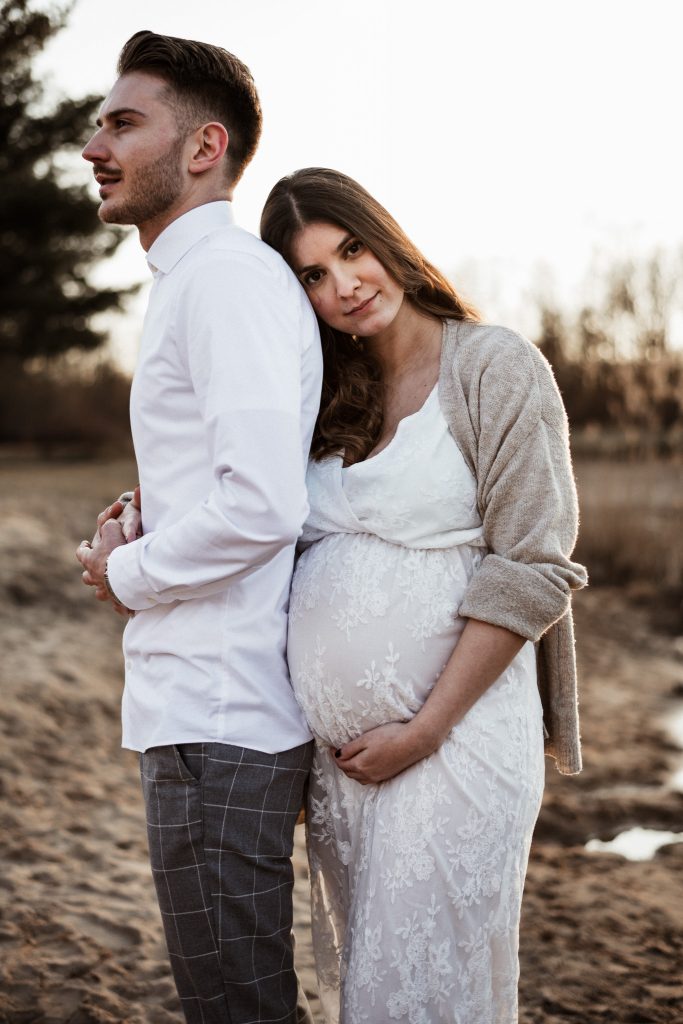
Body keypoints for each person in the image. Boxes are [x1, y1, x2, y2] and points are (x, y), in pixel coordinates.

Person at [257, 168, 588, 1023]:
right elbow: (259, 521)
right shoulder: (326, 393)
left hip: (455, 739)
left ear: (387, 236)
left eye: (352, 249)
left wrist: (422, 729)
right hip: (347, 772)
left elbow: (534, 563)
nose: (344, 286)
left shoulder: (494, 365)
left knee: (419, 994)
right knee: (369, 988)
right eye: (312, 275)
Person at [75, 32, 322, 1024]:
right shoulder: (197, 281)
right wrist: (141, 529)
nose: (96, 144)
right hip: (203, 709)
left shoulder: (220, 279)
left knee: (237, 1007)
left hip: (218, 716)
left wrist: (126, 572)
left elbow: (263, 504)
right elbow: (231, 487)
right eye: (102, 121)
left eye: (124, 123)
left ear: (204, 146)